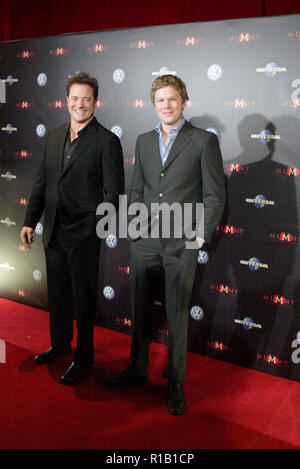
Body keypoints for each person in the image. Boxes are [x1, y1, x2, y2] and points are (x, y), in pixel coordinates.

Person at [102, 74, 225, 415]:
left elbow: (215, 195)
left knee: (176, 314)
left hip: (180, 244)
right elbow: (139, 187)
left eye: (173, 99)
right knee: (140, 309)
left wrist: (198, 236)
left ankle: (175, 381)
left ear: (184, 101)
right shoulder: (142, 141)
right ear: (152, 104)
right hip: (144, 242)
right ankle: (137, 369)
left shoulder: (202, 141)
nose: (167, 105)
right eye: (160, 100)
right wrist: (135, 230)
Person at [20, 72, 124, 384]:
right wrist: (29, 221)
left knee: (83, 300)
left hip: (84, 237)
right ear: (66, 101)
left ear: (96, 102)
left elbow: (112, 196)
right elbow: (42, 183)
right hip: (52, 232)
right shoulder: (53, 136)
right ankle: (61, 345)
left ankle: (84, 358)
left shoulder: (107, 141)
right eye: (75, 98)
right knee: (59, 294)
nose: (80, 104)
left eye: (86, 99)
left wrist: (91, 231)